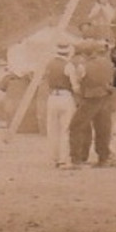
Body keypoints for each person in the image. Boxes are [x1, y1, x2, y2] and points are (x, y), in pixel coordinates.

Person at [67, 39, 116, 167]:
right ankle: (103, 158)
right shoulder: (108, 63)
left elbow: (78, 83)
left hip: (90, 98)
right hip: (105, 97)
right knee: (103, 128)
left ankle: (76, 159)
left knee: (76, 126)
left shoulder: (83, 66)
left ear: (85, 54)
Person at [41, 41, 78, 169]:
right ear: (68, 52)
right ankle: (63, 159)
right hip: (65, 96)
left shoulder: (49, 64)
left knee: (52, 130)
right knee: (65, 130)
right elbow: (75, 86)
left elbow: (44, 79)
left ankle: (52, 158)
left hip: (52, 97)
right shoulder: (68, 66)